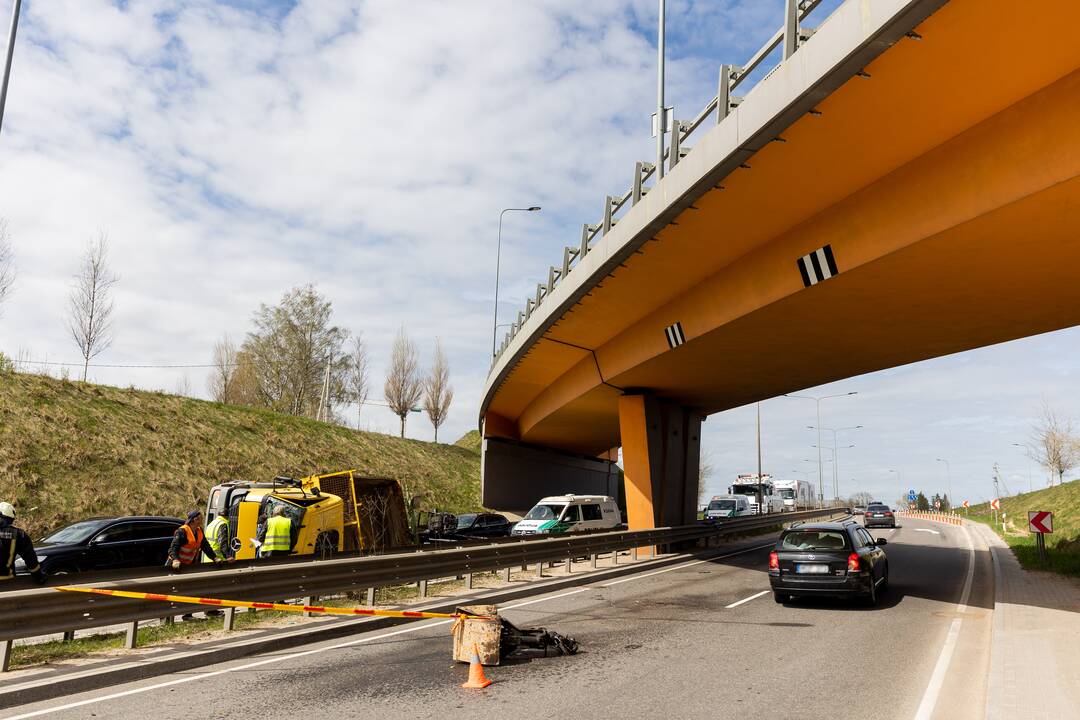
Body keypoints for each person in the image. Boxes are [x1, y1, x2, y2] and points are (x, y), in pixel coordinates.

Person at [1, 502, 45, 584]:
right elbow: (31, 559)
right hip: (7, 581)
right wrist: (39, 577)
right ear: (11, 519)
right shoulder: (18, 534)